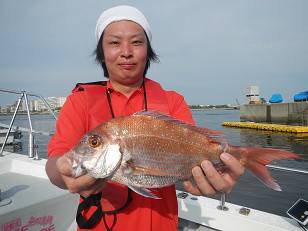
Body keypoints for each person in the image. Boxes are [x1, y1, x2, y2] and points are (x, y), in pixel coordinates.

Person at [45, 5, 244, 231]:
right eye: (114, 42)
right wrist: (62, 174)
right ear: (101, 51)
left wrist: (206, 181)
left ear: (148, 50)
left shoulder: (173, 101)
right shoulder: (80, 101)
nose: (126, 51)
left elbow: (189, 169)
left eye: (137, 42)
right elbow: (55, 162)